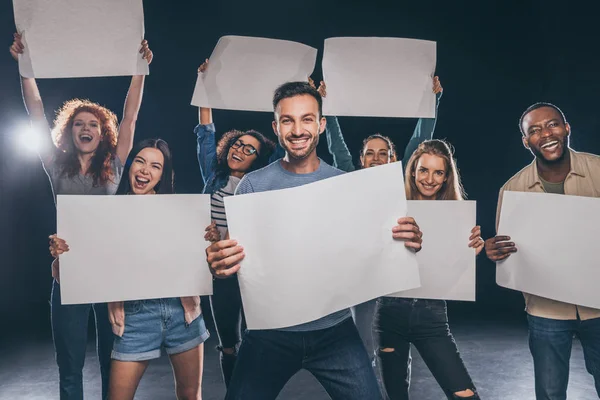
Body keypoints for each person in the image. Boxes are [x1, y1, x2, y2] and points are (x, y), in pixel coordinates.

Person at [205, 81, 424, 400]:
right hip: (269, 333)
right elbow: (239, 262)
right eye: (288, 120)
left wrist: (406, 243)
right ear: (276, 127)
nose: (297, 129)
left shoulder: (343, 185)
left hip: (334, 331)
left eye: (307, 119)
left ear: (321, 124)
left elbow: (370, 251)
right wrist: (220, 265)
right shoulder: (253, 185)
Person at [10, 32, 152, 400]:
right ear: (69, 132)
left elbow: (131, 115)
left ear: (102, 131)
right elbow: (37, 112)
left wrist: (140, 69)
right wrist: (25, 67)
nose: (85, 128)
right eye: (78, 124)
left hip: (110, 271)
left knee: (112, 361)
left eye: (92, 124)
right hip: (69, 270)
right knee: (70, 365)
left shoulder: (116, 164)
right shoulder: (56, 166)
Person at [50, 139, 210, 400]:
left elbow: (202, 262)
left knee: (190, 395)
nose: (146, 170)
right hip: (134, 318)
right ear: (130, 166)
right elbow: (67, 273)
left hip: (182, 313)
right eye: (140, 161)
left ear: (162, 175)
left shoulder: (180, 210)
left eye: (155, 166)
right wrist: (62, 255)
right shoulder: (106, 212)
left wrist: (209, 239)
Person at [317, 76, 443, 357]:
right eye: (370, 153)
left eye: (383, 153)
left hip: (398, 272)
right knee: (363, 343)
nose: (376, 158)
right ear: (361, 160)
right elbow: (337, 146)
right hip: (362, 276)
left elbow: (419, 139)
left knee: (395, 346)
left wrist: (432, 100)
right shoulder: (351, 179)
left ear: (393, 157)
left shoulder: (399, 179)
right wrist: (326, 104)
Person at [484, 103, 600, 400]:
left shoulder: (598, 170)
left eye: (552, 125)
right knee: (549, 393)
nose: (546, 134)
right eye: (534, 130)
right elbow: (509, 253)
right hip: (546, 310)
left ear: (566, 128)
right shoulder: (512, 189)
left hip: (599, 306)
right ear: (526, 141)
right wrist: (496, 251)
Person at [373, 139, 483, 400]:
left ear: (446, 178)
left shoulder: (458, 215)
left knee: (464, 395)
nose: (430, 179)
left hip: (431, 315)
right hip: (390, 312)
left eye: (438, 172)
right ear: (413, 171)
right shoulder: (390, 210)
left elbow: (453, 278)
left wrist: (471, 254)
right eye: (424, 170)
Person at [194, 60, 276, 387]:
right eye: (238, 144)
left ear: (259, 159)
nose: (240, 149)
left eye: (250, 149)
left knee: (258, 342)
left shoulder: (265, 184)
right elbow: (205, 133)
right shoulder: (213, 177)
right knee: (229, 344)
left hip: (255, 270)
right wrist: (204, 83)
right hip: (222, 273)